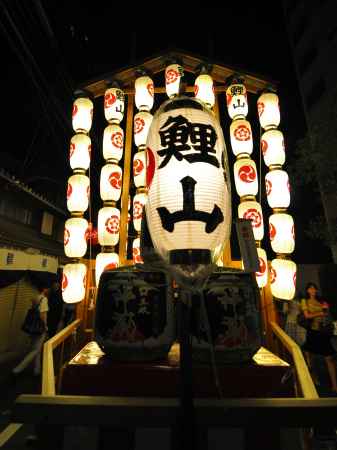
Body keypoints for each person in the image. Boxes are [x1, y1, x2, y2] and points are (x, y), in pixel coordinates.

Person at [301, 282, 337, 393]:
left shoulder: (321, 301)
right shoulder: (305, 301)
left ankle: (335, 385)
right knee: (311, 358)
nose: (313, 290)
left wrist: (326, 309)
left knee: (329, 358)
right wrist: (320, 313)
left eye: (314, 288)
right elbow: (307, 315)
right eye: (310, 288)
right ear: (307, 290)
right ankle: (314, 381)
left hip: (323, 331)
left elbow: (327, 314)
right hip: (312, 331)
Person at [12, 285, 49, 377]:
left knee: (36, 348)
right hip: (39, 327)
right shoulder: (44, 299)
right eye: (47, 287)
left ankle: (37, 370)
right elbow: (42, 315)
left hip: (32, 327)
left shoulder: (35, 297)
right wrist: (45, 326)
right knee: (36, 350)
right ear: (44, 289)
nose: (48, 289)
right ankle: (18, 369)